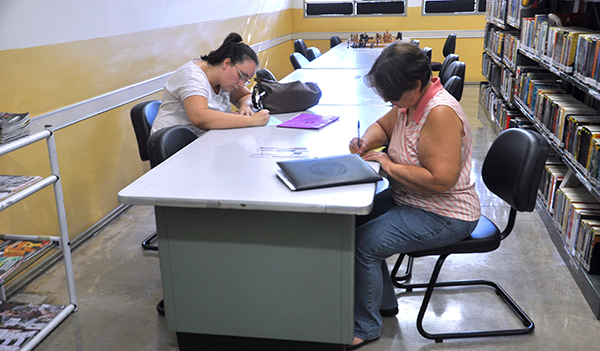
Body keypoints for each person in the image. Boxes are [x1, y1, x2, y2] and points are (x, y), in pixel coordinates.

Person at [346, 42, 481, 350]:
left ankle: (366, 327)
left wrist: (386, 164)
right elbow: (383, 125)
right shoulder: (410, 103)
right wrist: (366, 141)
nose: (389, 102)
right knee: (349, 222)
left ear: (417, 85)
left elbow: (440, 181)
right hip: (411, 199)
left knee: (364, 244)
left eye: (393, 97)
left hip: (445, 213)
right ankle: (382, 302)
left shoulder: (440, 113)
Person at [151, 32, 270, 136]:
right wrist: (250, 121)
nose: (241, 84)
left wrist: (245, 107)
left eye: (246, 80)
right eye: (241, 75)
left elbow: (245, 96)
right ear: (227, 63)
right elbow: (200, 117)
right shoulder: (192, 77)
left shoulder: (224, 80)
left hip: (204, 142)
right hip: (175, 147)